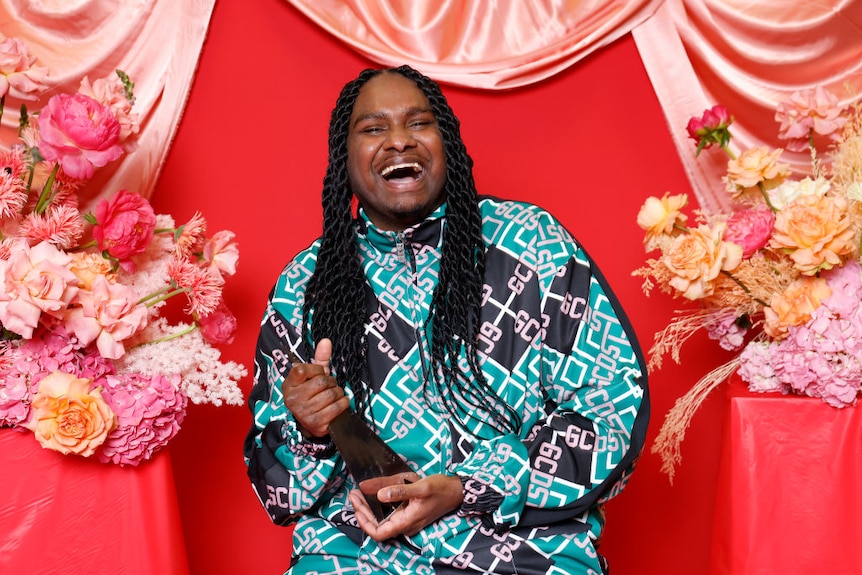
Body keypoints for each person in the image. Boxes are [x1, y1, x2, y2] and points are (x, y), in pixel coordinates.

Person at [244, 64, 649, 575]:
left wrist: (468, 488)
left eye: (418, 123)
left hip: (523, 553)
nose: (398, 142)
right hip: (353, 555)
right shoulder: (305, 284)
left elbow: (612, 414)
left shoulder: (533, 245)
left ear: (448, 143)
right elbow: (277, 493)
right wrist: (309, 430)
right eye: (373, 129)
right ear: (343, 161)